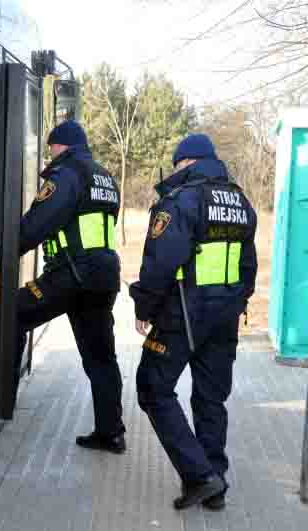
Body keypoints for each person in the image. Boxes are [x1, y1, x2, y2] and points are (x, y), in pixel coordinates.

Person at [130, 134, 257, 510]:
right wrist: (234, 303)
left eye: (176, 165)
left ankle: (200, 476)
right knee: (210, 396)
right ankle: (215, 483)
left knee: (152, 387)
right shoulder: (240, 201)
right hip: (225, 314)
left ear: (186, 163)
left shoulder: (181, 200)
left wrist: (144, 308)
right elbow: (247, 267)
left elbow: (161, 263)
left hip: (183, 314)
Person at [17, 120, 126, 453]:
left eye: (51, 147)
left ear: (60, 146)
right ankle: (111, 433)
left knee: (11, 314)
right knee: (101, 358)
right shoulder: (106, 178)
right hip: (103, 277)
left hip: (70, 276)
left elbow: (35, 226)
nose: (49, 152)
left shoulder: (66, 175)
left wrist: (3, 253)